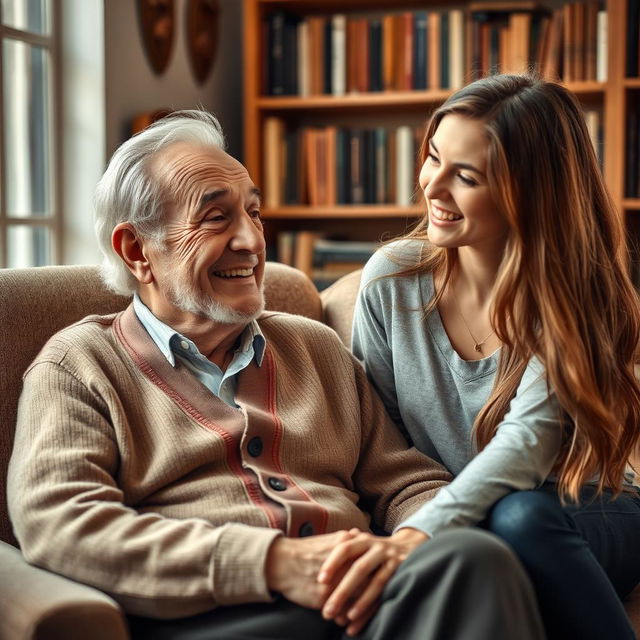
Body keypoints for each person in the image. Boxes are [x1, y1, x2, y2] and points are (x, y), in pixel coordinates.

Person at [7, 110, 545, 640]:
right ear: (136, 250)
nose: (251, 241)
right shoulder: (79, 365)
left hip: (362, 600)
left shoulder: (312, 345)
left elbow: (405, 480)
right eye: (216, 218)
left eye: (254, 213)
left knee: (476, 558)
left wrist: (401, 543)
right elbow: (64, 526)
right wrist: (272, 563)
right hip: (220, 615)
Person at [317, 74, 640, 640]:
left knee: (520, 515)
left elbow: (527, 447)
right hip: (464, 530)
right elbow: (378, 437)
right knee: (488, 538)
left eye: (465, 176)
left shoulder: (569, 294)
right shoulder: (391, 280)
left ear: (531, 194)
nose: (433, 187)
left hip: (578, 511)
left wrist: (417, 537)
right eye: (433, 158)